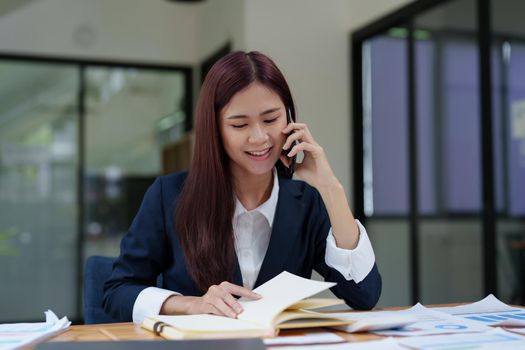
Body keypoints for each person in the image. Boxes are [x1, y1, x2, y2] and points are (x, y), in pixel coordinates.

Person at [103, 51, 381, 323]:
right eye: (239, 124)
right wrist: (191, 304)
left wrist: (330, 187)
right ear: (215, 130)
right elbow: (117, 292)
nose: (259, 137)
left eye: (271, 119)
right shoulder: (169, 196)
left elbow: (363, 295)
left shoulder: (305, 201)